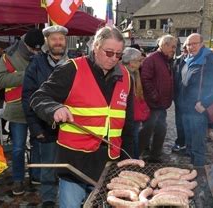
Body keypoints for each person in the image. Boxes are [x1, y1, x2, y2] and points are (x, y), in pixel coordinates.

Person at [29, 26, 134, 208]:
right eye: (109, 53)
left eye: (118, 54)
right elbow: (39, 97)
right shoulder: (73, 69)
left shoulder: (126, 76)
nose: (114, 59)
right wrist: (54, 108)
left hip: (109, 162)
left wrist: (130, 157)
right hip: (76, 162)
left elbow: (129, 123)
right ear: (96, 46)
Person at [22, 25, 68, 208]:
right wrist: (35, 127)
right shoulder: (35, 65)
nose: (58, 42)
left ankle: (69, 199)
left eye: (61, 39)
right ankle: (48, 199)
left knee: (67, 167)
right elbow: (28, 97)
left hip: (70, 127)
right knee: (48, 167)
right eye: (54, 39)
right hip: (45, 126)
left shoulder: (75, 64)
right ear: (47, 42)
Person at [0, 28, 44, 195]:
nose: (35, 52)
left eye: (38, 49)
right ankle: (18, 180)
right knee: (18, 147)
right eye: (32, 49)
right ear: (25, 44)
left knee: (38, 144)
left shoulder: (42, 54)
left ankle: (36, 175)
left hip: (37, 108)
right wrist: (27, 75)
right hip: (17, 109)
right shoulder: (9, 55)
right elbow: (1, 79)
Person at [179, 33, 213, 166]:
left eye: (194, 44)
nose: (191, 47)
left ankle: (199, 171)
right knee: (189, 143)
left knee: (198, 145)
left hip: (199, 110)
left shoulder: (210, 60)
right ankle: (192, 166)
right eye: (188, 44)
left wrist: (204, 103)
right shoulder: (187, 58)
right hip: (186, 109)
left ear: (201, 44)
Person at [139, 34, 177, 162]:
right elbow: (145, 79)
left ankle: (155, 155)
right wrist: (155, 96)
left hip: (161, 104)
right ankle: (136, 154)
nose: (174, 49)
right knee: (147, 130)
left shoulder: (166, 59)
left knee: (161, 130)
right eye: (172, 46)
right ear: (164, 45)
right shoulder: (152, 59)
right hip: (153, 104)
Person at [121, 47, 146, 159]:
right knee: (131, 138)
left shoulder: (134, 73)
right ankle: (133, 159)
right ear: (131, 62)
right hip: (126, 114)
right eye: (139, 60)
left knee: (134, 137)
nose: (141, 62)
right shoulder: (124, 74)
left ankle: (134, 159)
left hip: (133, 114)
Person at [171, 45, 188, 152]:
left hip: (191, 98)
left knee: (189, 122)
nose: (186, 50)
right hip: (179, 97)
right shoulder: (177, 60)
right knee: (179, 122)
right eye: (184, 48)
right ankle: (181, 142)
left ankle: (189, 144)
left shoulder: (198, 61)